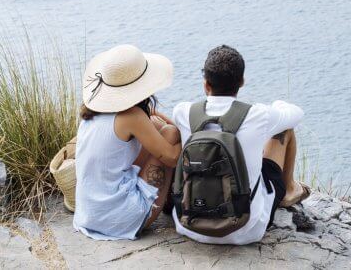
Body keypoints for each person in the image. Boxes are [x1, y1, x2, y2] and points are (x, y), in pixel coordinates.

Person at [172, 45, 308, 245]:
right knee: (284, 130)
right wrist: (276, 105)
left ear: (206, 84)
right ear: (242, 82)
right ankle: (288, 190)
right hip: (245, 229)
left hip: (189, 225)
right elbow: (297, 114)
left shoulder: (183, 112)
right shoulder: (258, 114)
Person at [74, 44, 181, 240]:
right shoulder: (132, 116)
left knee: (156, 125)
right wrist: (184, 132)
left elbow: (149, 119)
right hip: (122, 219)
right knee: (171, 134)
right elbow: (172, 157)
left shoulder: (92, 112)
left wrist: (157, 120)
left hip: (89, 215)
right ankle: (173, 198)